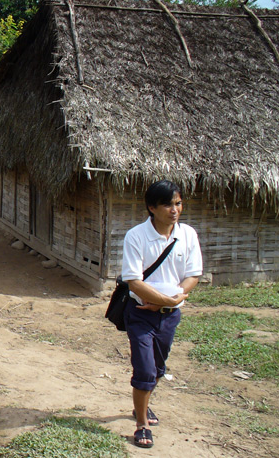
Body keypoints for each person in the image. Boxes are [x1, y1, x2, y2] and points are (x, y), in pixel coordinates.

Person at [121, 180, 203, 448]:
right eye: (168, 204)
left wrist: (170, 300)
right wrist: (162, 300)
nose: (174, 209)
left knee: (157, 368)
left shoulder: (188, 235)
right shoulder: (136, 236)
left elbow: (193, 274)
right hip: (140, 313)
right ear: (151, 207)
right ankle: (142, 425)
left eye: (178, 203)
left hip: (169, 315)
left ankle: (141, 406)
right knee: (144, 369)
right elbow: (133, 281)